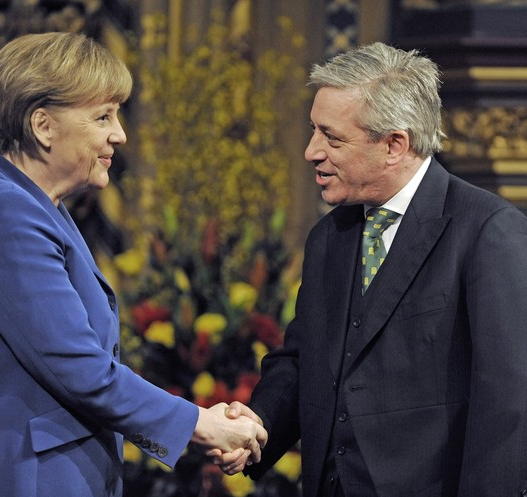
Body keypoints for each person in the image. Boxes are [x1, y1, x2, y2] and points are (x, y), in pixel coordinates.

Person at [0, 32, 266, 497]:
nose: (120, 134)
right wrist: (198, 423)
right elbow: (79, 367)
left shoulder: (34, 207)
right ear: (43, 125)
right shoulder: (5, 213)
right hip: (23, 478)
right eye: (102, 117)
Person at [214, 42, 527, 496]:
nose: (311, 152)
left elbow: (508, 405)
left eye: (332, 137)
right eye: (313, 131)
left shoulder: (487, 232)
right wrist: (259, 425)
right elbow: (305, 360)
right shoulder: (329, 237)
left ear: (394, 145)